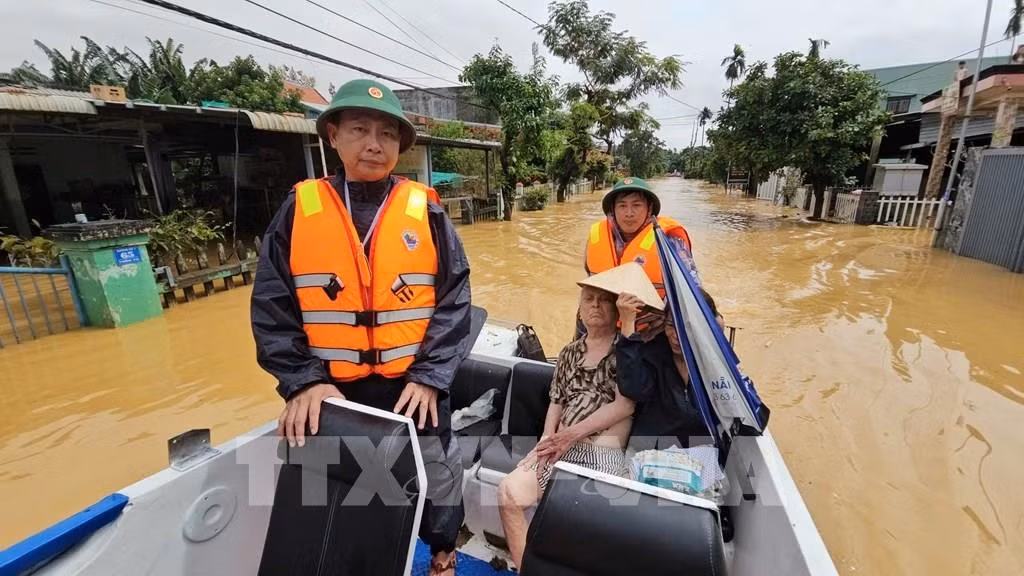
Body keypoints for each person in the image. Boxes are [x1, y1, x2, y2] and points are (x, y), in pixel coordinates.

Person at [249, 78, 470, 576]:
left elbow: (455, 299)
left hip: (413, 385)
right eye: (359, 129)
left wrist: (430, 375)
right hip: (334, 389)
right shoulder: (299, 210)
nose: (374, 143)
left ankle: (443, 553)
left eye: (387, 134)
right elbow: (272, 304)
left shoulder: (427, 210)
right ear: (333, 136)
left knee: (437, 472)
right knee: (344, 490)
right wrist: (302, 380)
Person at [497, 283, 635, 570]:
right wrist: (545, 441)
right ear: (579, 310)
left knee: (576, 516)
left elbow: (625, 405)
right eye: (589, 299)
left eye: (603, 300)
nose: (595, 305)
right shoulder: (569, 352)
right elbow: (556, 402)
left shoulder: (625, 352)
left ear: (616, 311)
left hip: (601, 453)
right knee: (509, 493)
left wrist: (568, 436)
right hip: (560, 449)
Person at [578, 177, 699, 338]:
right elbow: (588, 285)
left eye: (636, 205)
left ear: (649, 208)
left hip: (651, 331)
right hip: (602, 327)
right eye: (622, 206)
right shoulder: (596, 236)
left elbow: (692, 291)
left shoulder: (669, 240)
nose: (629, 213)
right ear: (613, 209)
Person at [614, 289, 722, 451]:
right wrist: (628, 323)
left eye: (686, 328)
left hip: (699, 449)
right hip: (652, 449)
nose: (676, 336)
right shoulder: (654, 353)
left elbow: (749, 414)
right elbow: (633, 388)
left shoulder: (717, 361)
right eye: (671, 325)